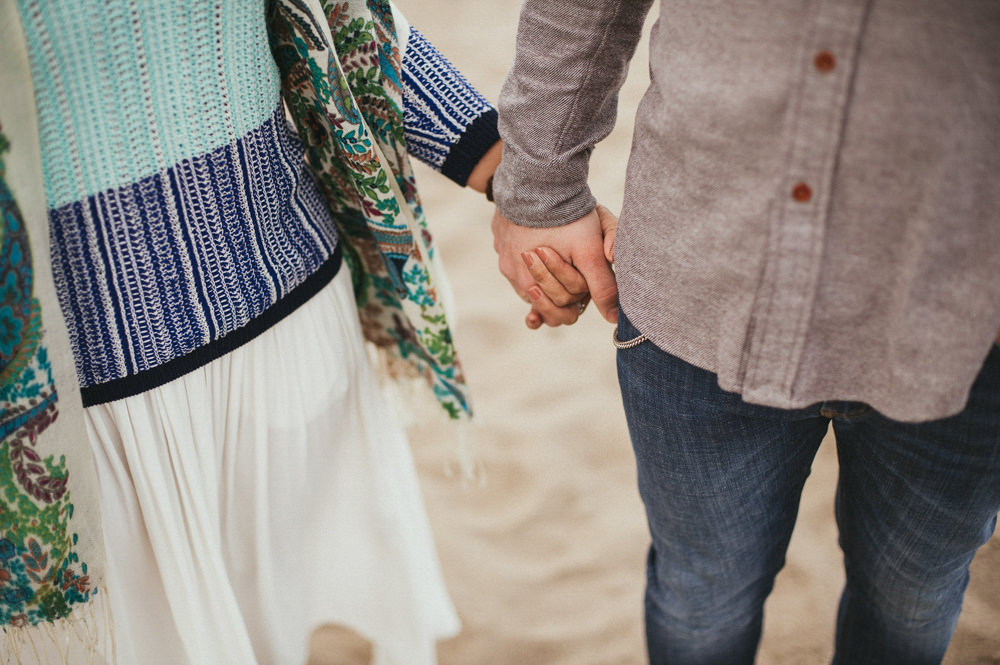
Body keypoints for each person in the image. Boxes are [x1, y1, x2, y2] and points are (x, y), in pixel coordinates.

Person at [489, 1, 1000, 664]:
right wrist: (537, 192)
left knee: (913, 603)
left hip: (964, 319)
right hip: (699, 283)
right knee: (700, 599)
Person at [0, 1, 502, 663]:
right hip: (94, 414)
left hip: (280, 338)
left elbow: (351, 26)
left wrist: (518, 178)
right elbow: (355, 28)